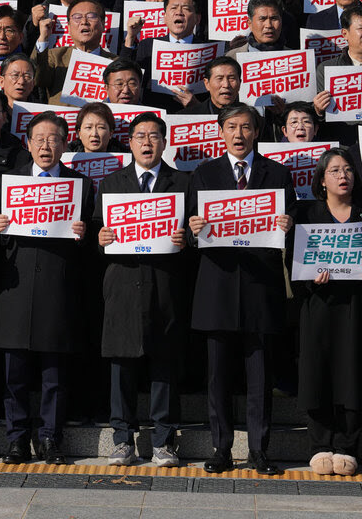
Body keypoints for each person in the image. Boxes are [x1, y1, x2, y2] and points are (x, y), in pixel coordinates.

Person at [188, 103, 296, 475]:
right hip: (216, 286)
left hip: (260, 287)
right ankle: (221, 447)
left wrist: (287, 224)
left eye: (246, 127)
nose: (238, 134)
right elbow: (187, 235)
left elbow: (293, 228)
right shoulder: (204, 174)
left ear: (257, 131)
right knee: (217, 375)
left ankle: (259, 450)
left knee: (260, 375)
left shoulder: (278, 174)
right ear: (220, 132)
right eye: (231, 126)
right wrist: (194, 228)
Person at [0, 112, 92, 465]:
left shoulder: (81, 185)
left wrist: (82, 236)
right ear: (28, 143)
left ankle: (51, 437)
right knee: (14, 373)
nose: (46, 145)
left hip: (58, 289)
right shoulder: (8, 182)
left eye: (54, 139)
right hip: (16, 289)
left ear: (66, 144)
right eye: (39, 138)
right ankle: (16, 439)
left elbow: (93, 245)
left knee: (55, 374)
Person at [92, 113, 188, 467]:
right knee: (121, 364)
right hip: (122, 284)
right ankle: (122, 439)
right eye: (140, 136)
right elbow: (95, 236)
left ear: (164, 142)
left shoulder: (182, 182)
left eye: (154, 136)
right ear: (129, 142)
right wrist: (99, 239)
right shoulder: (111, 183)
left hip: (164, 285)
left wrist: (187, 237)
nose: (147, 143)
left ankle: (164, 440)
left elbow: (195, 233)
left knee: (164, 363)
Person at [293, 150, 362, 477]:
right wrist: (311, 277)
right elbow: (296, 268)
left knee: (352, 375)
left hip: (355, 307)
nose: (342, 175)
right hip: (318, 306)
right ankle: (320, 445)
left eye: (347, 170)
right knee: (317, 373)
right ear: (321, 180)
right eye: (334, 170)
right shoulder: (309, 215)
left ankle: (348, 446)